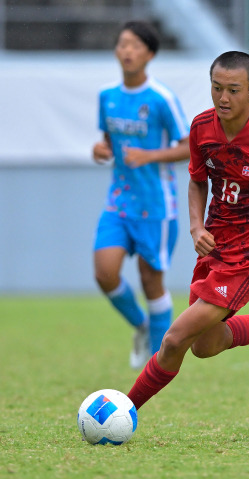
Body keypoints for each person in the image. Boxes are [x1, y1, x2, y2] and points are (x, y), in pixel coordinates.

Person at [126, 51, 249, 411]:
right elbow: (198, 182)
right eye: (217, 88)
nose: (223, 98)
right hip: (214, 246)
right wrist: (196, 225)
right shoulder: (201, 128)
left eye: (233, 90)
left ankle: (124, 408)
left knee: (175, 339)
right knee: (205, 345)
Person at [92, 21, 190, 369]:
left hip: (156, 205)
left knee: (152, 281)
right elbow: (108, 140)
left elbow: (189, 146)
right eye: (122, 44)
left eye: (135, 45)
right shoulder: (107, 96)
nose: (127, 51)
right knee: (105, 273)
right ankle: (143, 327)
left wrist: (149, 155)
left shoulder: (161, 98)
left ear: (149, 54)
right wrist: (100, 149)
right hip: (118, 201)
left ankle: (157, 364)